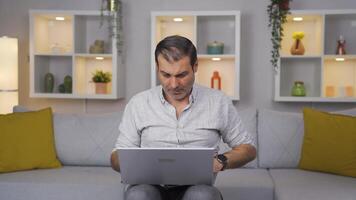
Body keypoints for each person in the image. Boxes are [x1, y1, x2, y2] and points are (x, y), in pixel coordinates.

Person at [110, 35, 256, 200]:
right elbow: (115, 157)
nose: (173, 84)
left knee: (203, 196)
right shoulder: (139, 103)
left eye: (181, 75)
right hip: (148, 187)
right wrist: (131, 163)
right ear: (157, 67)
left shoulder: (218, 102)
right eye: (166, 75)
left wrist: (221, 161)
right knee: (138, 195)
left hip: (198, 188)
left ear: (195, 67)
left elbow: (248, 149)